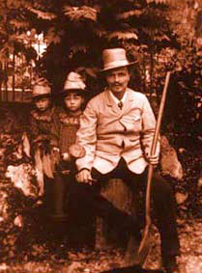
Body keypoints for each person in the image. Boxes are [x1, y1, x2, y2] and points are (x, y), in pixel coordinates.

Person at [75, 48, 180, 273]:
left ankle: (170, 255)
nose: (117, 80)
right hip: (104, 159)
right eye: (112, 75)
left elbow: (150, 132)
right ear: (106, 77)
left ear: (128, 75)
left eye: (121, 74)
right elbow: (85, 138)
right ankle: (129, 224)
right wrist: (84, 166)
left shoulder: (140, 100)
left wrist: (153, 151)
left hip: (135, 160)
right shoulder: (95, 104)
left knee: (163, 191)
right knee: (79, 191)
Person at [49, 71, 86, 221]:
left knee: (76, 186)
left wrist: (74, 154)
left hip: (78, 157)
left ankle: (76, 216)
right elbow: (54, 135)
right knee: (59, 183)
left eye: (76, 97)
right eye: (68, 98)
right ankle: (59, 214)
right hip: (61, 155)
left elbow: (86, 137)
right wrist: (55, 149)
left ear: (83, 99)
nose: (72, 101)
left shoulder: (86, 117)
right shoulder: (60, 117)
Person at [29, 77, 55, 197]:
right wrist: (38, 139)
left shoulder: (54, 113)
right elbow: (34, 132)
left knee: (53, 165)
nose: (40, 104)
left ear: (49, 100)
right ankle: (41, 190)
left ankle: (53, 189)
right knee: (38, 162)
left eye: (43, 101)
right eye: (37, 101)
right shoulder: (34, 115)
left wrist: (46, 138)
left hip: (52, 142)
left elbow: (55, 130)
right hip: (39, 144)